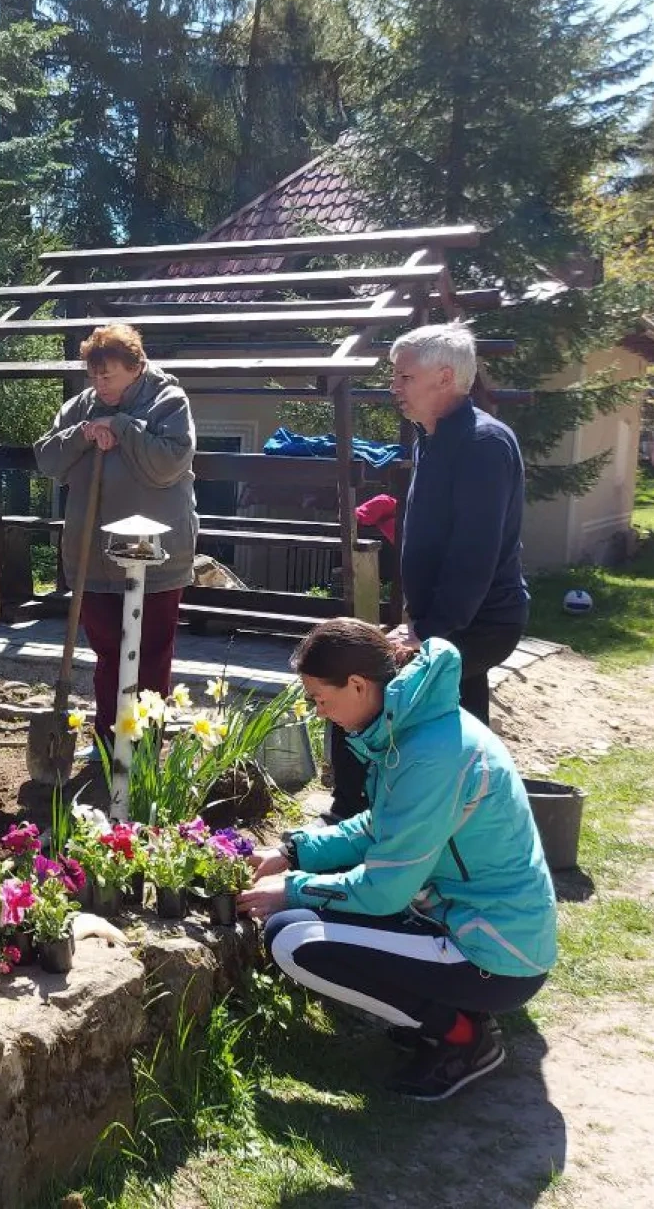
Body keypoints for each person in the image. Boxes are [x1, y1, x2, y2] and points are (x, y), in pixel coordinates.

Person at [242, 617, 556, 1102]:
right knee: (299, 923)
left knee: (294, 940)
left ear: (358, 685)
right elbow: (380, 827)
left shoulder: (430, 755)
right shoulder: (417, 729)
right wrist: (293, 851)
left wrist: (290, 888)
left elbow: (385, 890)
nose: (320, 713)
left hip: (497, 953)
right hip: (470, 924)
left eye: (322, 700)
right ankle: (449, 1015)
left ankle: (463, 1039)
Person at [331, 323, 529, 820]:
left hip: (477, 620)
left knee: (358, 688)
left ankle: (353, 816)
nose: (393, 387)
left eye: (404, 377)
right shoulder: (432, 438)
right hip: (444, 617)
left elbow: (473, 555)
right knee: (460, 721)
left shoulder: (483, 444)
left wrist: (426, 630)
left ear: (445, 377)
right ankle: (468, 817)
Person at [33, 323, 198, 746]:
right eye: (93, 376)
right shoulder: (80, 407)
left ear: (136, 367)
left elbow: (168, 465)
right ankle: (108, 738)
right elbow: (48, 460)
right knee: (107, 651)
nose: (99, 384)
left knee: (151, 652)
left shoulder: (169, 402)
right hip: (93, 554)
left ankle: (144, 743)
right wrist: (85, 433)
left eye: (108, 376)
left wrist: (120, 426)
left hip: (155, 553)